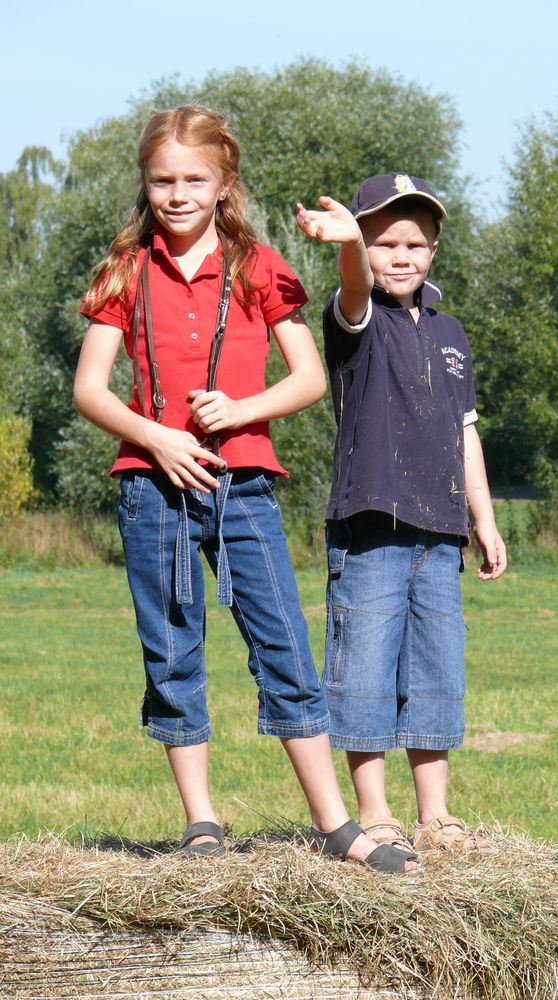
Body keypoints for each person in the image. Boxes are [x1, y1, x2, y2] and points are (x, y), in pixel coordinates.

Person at [74, 108, 418, 873]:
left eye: (194, 179)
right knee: (171, 654)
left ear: (223, 183)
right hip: (151, 490)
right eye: (162, 180)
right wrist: (157, 437)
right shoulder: (125, 270)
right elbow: (89, 389)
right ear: (146, 184)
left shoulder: (258, 265)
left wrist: (242, 409)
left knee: (285, 651)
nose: (176, 193)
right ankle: (200, 821)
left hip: (246, 487)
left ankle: (336, 828)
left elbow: (308, 378)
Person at [296, 172, 507, 856]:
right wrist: (348, 246)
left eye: (414, 243)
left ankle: (436, 813)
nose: (400, 256)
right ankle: (375, 812)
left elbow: (464, 433)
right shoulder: (353, 320)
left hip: (440, 532)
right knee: (364, 670)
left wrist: (484, 518)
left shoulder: (452, 335)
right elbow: (354, 284)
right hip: (370, 530)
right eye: (383, 242)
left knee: (435, 669)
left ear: (434, 250)